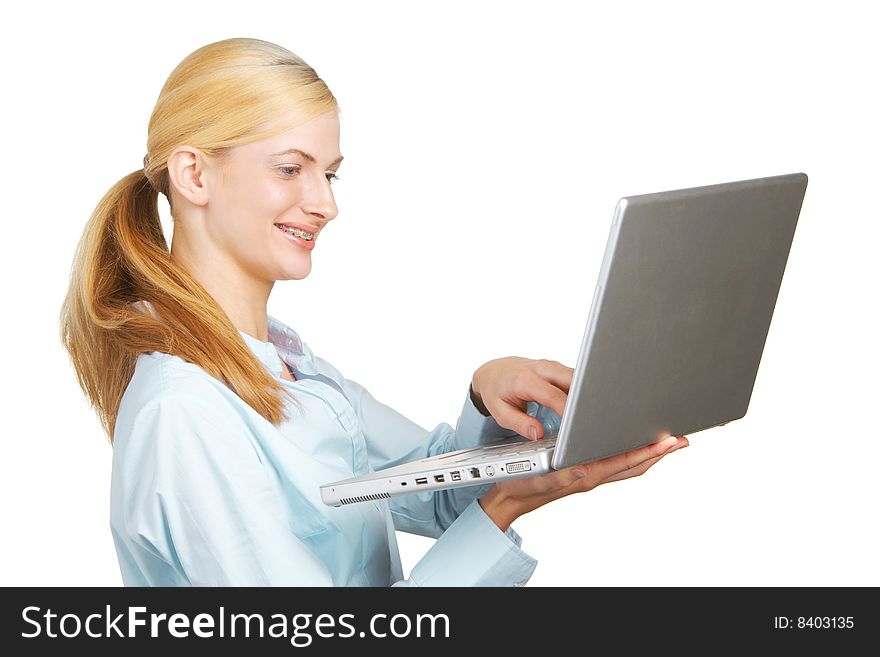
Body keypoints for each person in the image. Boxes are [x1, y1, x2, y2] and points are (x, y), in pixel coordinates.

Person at [59, 37, 688, 586]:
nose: (325, 204)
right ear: (193, 175)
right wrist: (499, 513)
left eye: (330, 174)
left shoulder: (293, 368)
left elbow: (433, 498)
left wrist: (491, 401)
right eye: (290, 169)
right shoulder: (186, 415)